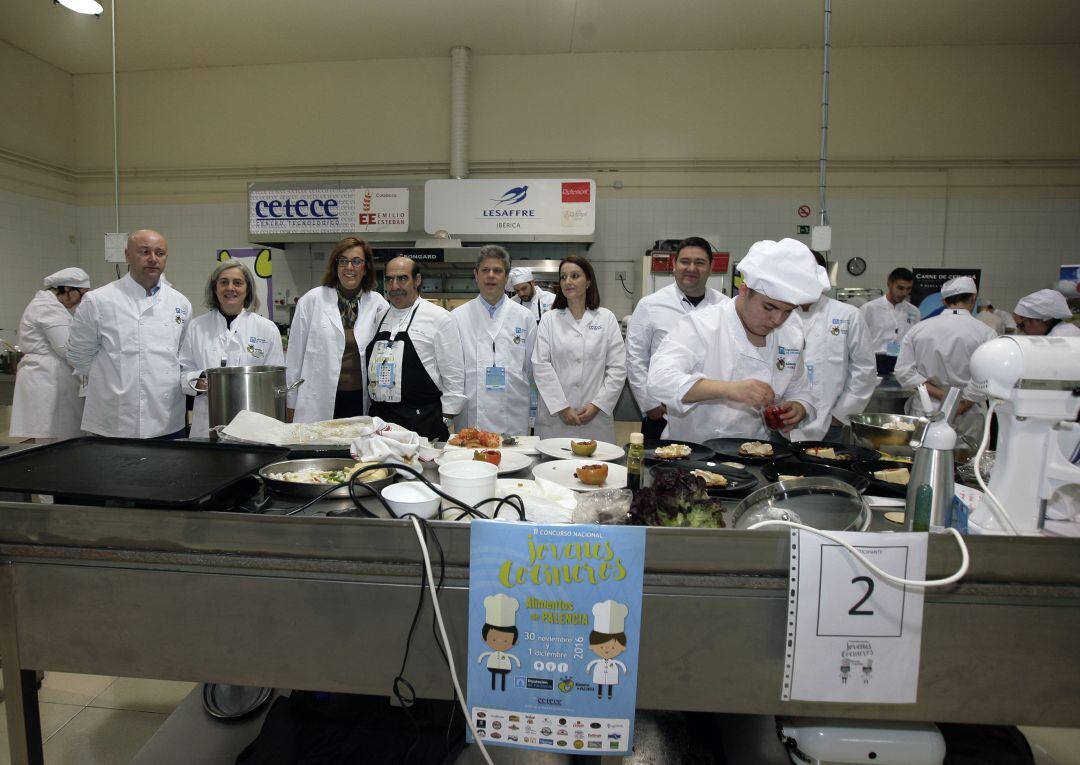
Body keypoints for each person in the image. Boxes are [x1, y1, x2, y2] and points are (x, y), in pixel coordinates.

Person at [647, 238, 823, 443]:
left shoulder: (790, 334)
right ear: (745, 291)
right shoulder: (701, 325)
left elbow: (800, 389)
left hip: (755, 452)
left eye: (787, 311)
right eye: (769, 307)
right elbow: (660, 380)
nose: (777, 320)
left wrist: (798, 408)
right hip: (692, 451)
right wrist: (728, 389)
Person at [67, 229, 192, 438]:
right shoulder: (99, 300)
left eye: (160, 253)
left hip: (167, 418)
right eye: (144, 251)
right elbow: (78, 356)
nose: (152, 259)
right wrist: (116, 379)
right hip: (114, 418)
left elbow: (183, 355)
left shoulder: (180, 303)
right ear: (127, 255)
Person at [625, 236, 727, 440]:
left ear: (711, 267)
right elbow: (635, 358)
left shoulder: (725, 307)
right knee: (660, 470)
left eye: (699, 263)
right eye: (685, 261)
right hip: (662, 413)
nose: (691, 268)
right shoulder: (650, 305)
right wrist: (649, 405)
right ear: (674, 265)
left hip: (710, 414)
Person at [285, 237, 388, 422]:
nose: (350, 267)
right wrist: (290, 404)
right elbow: (294, 358)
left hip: (361, 399)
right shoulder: (312, 300)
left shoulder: (378, 303)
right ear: (335, 265)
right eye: (343, 260)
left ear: (365, 269)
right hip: (317, 399)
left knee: (356, 448)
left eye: (356, 261)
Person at [179, 260, 284, 438]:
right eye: (224, 282)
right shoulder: (196, 327)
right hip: (207, 423)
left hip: (254, 424)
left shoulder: (266, 329)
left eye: (237, 283)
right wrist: (198, 381)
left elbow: (276, 379)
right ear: (215, 288)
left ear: (247, 289)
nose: (230, 288)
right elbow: (183, 372)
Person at [366, 256, 465, 441]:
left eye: (402, 278)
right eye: (389, 279)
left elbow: (454, 376)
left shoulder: (439, 318)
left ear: (417, 280)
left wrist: (445, 418)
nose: (394, 286)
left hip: (423, 422)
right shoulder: (380, 317)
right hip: (382, 422)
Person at [530, 255, 627, 443]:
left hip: (595, 418)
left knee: (593, 469)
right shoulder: (550, 319)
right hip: (556, 418)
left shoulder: (606, 318)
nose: (568, 281)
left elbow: (617, 368)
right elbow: (541, 365)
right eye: (563, 277)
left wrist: (597, 405)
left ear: (588, 281)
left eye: (575, 276)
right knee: (554, 469)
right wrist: (562, 407)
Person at [894, 276, 998, 444]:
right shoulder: (986, 333)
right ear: (973, 298)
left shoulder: (919, 330)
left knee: (925, 459)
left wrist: (944, 396)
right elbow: (989, 376)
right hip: (969, 412)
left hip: (929, 407)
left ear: (943, 301)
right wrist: (963, 402)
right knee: (965, 464)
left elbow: (904, 372)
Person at [791, 253, 877, 443]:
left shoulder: (848, 315)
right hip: (784, 422)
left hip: (829, 423)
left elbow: (864, 369)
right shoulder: (780, 313)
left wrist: (840, 416)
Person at [451, 245, 536, 436]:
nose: (491, 275)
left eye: (497, 271)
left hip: (513, 415)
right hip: (471, 417)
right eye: (485, 270)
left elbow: (531, 371)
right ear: (476, 274)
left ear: (506, 277)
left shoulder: (524, 317)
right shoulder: (457, 317)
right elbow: (452, 372)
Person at [9, 268, 91, 442]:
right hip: (49, 377)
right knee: (56, 436)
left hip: (47, 375)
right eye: (82, 294)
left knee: (53, 434)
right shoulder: (48, 307)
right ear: (67, 289)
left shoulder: (47, 304)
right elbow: (68, 349)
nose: (81, 301)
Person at [859, 267, 920, 374]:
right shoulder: (869, 308)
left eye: (908, 289)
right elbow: (858, 338)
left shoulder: (914, 311)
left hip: (903, 361)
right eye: (900, 288)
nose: (904, 293)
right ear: (889, 284)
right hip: (876, 360)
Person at [1012, 289, 1080, 337]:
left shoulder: (1060, 337)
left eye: (1021, 326)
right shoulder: (1063, 329)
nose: (1020, 330)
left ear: (1038, 320)